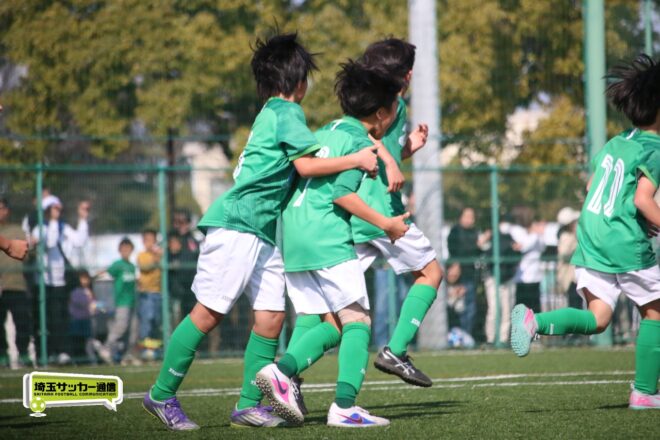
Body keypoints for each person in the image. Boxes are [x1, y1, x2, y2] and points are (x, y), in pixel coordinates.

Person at [143, 31, 380, 431]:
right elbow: (306, 167)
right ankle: (161, 394)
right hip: (238, 224)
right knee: (208, 313)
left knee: (271, 318)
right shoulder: (287, 112)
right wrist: (356, 158)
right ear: (298, 80)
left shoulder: (272, 111)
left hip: (263, 230)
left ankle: (247, 405)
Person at [255, 59, 407, 428]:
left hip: (294, 236)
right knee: (358, 320)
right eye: (394, 109)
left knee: (328, 324)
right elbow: (342, 195)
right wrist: (386, 223)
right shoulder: (360, 144)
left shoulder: (323, 132)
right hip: (327, 236)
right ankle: (340, 405)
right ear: (381, 114)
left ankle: (282, 373)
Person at [510, 54, 660, 409]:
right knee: (656, 313)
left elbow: (593, 184)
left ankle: (534, 321)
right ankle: (644, 392)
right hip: (622, 240)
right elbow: (642, 199)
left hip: (591, 236)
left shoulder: (618, 141)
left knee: (598, 318)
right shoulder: (654, 149)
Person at [346, 38, 443, 386]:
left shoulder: (369, 101)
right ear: (404, 74)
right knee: (431, 272)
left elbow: (377, 144)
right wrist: (389, 158)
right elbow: (368, 140)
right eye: (409, 69)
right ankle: (396, 351)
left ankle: (287, 371)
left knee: (332, 310)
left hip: (356, 212)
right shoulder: (392, 102)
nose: (412, 75)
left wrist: (407, 147)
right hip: (383, 212)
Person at [31, 195, 89, 364]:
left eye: (59, 208)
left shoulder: (63, 227)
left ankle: (63, 352)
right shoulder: (39, 229)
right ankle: (46, 353)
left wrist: (82, 219)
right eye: (54, 208)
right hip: (44, 282)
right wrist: (53, 221)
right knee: (45, 319)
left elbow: (79, 241)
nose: (58, 211)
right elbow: (50, 243)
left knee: (61, 318)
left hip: (60, 282)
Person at [448, 207, 490, 337]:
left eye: (472, 217)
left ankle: (466, 336)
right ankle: (456, 336)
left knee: (470, 308)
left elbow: (479, 252)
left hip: (471, 274)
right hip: (457, 276)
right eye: (467, 216)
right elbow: (459, 250)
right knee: (457, 307)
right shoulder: (455, 231)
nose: (470, 219)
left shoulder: (475, 232)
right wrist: (477, 244)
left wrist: (482, 244)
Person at [0, 198, 32, 368]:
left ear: (7, 210)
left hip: (17, 284)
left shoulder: (17, 231)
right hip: (1, 286)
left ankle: (24, 354)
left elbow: (26, 255)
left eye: (1, 208)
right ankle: (2, 355)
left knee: (22, 321)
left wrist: (29, 247)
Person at [99, 237, 137, 364]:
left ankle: (127, 355)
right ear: (119, 250)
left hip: (132, 302)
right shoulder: (118, 265)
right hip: (122, 302)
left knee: (133, 331)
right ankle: (106, 348)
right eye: (123, 249)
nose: (126, 251)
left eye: (128, 249)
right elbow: (107, 272)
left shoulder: (132, 266)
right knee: (120, 327)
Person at [483, 221, 520, 346]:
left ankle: (503, 339)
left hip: (508, 278)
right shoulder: (490, 240)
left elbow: (517, 255)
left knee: (507, 310)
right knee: (494, 310)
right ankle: (491, 338)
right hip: (493, 278)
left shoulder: (509, 238)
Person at [137, 229, 162, 353]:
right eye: (147, 240)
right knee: (147, 320)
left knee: (157, 321)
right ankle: (144, 349)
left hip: (159, 293)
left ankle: (155, 349)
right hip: (146, 294)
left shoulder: (160, 255)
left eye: (152, 240)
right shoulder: (142, 255)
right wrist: (156, 258)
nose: (150, 243)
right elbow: (145, 267)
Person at [68, 270, 97, 364]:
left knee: (88, 341)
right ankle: (76, 360)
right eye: (83, 279)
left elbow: (93, 304)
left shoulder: (90, 291)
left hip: (87, 319)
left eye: (87, 279)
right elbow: (80, 303)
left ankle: (89, 359)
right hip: (77, 320)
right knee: (77, 340)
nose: (85, 281)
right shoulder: (75, 292)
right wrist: (89, 301)